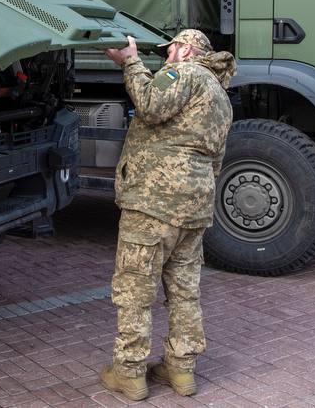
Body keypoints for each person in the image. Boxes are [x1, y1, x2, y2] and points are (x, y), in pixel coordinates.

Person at [99, 29, 236, 401]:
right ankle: (181, 369)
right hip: (194, 207)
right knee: (184, 291)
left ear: (187, 48)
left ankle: (128, 372)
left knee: (135, 288)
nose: (167, 56)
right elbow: (217, 160)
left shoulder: (185, 73)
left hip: (153, 202)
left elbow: (150, 104)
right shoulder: (221, 97)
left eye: (170, 48)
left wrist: (130, 61)